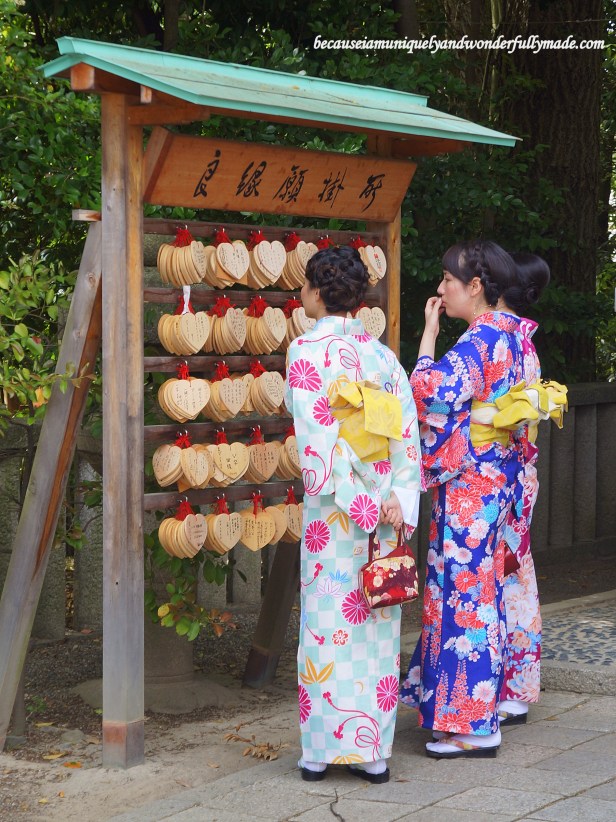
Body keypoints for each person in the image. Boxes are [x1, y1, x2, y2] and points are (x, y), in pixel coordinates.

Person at [400, 240, 560, 759]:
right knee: (490, 588)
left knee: (465, 597)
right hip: (506, 478)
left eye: (449, 280)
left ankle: (472, 724)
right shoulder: (518, 336)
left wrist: (427, 337)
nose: (441, 288)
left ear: (476, 287)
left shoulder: (480, 339)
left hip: (474, 482)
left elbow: (429, 393)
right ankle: (488, 703)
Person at [285, 245, 423, 783]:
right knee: (374, 624)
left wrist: (360, 495)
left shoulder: (305, 351)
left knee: (325, 625)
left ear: (318, 293)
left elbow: (317, 431)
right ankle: (372, 752)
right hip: (384, 508)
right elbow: (402, 433)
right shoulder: (383, 356)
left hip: (334, 513)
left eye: (305, 287)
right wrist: (396, 496)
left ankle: (320, 752)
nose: (302, 296)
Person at [497, 252, 551, 725]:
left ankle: (508, 687)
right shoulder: (524, 343)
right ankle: (515, 685)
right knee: (515, 573)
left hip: (501, 471)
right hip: (519, 470)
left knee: (503, 575)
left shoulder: (502, 341)